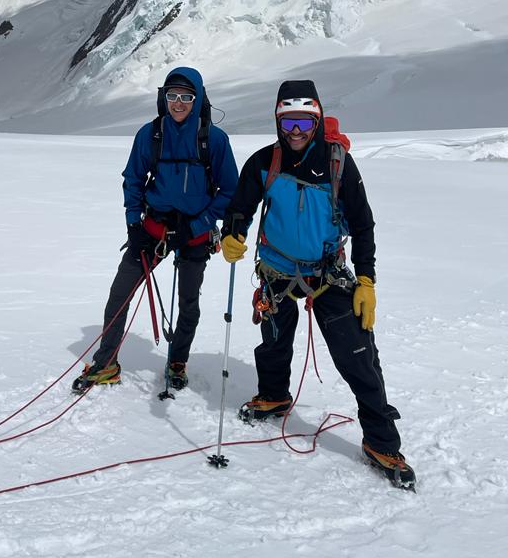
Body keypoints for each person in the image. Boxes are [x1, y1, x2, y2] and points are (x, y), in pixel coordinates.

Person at [221, 80, 415, 488]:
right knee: (274, 342)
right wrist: (232, 234)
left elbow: (362, 224)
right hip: (275, 270)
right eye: (288, 121)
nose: (296, 131)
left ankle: (381, 441)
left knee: (357, 354)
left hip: (327, 273)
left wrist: (366, 279)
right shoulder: (264, 161)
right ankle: (274, 395)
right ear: (278, 121)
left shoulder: (338, 163)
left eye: (304, 122)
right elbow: (240, 207)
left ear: (317, 120)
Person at [73, 67, 238, 393]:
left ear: (198, 99)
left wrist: (199, 224)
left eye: (186, 96)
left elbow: (230, 191)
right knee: (120, 294)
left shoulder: (213, 140)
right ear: (163, 97)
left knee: (188, 303)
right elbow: (133, 179)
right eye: (172, 95)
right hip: (153, 228)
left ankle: (177, 362)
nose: (178, 103)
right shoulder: (150, 135)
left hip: (195, 232)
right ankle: (106, 364)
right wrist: (133, 223)